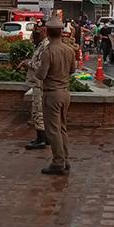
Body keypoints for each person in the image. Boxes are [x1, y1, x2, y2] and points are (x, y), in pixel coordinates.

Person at [36, 16, 77, 175]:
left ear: (47, 32)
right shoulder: (69, 50)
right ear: (61, 32)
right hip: (65, 92)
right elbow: (73, 70)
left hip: (52, 93)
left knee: (53, 130)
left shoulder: (48, 52)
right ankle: (65, 159)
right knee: (62, 128)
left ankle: (58, 161)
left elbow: (41, 75)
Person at [22, 24, 49, 149]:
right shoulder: (40, 45)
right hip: (37, 83)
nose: (34, 36)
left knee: (38, 112)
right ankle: (45, 137)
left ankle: (41, 138)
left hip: (40, 84)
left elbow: (41, 65)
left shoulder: (45, 47)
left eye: (37, 33)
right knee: (40, 111)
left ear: (44, 32)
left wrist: (29, 63)